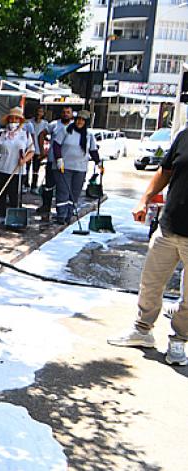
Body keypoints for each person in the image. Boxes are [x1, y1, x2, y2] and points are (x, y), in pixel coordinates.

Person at [108, 127, 188, 366]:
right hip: (168, 227)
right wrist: (145, 199)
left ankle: (179, 340)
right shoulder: (184, 136)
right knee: (150, 282)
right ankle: (143, 330)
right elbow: (165, 171)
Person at [0, 106, 34, 224]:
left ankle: (13, 218)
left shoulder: (25, 135)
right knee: (0, 193)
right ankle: (1, 216)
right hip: (0, 168)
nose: (13, 121)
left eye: (16, 119)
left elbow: (31, 151)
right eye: (11, 119)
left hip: (17, 171)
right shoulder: (1, 134)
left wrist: (25, 160)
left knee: (14, 195)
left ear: (20, 121)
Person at [53, 110, 100, 225]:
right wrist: (59, 159)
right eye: (78, 119)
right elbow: (56, 145)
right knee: (63, 191)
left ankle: (69, 215)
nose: (79, 122)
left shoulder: (89, 136)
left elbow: (93, 150)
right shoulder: (65, 131)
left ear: (86, 123)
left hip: (80, 168)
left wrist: (98, 163)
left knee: (74, 193)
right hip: (64, 167)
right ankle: (61, 215)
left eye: (82, 120)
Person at [38, 105, 73, 222]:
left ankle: (63, 212)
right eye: (64, 112)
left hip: (68, 163)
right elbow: (41, 134)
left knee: (64, 188)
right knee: (49, 187)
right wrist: (42, 151)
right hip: (52, 161)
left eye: (68, 112)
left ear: (71, 114)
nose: (65, 114)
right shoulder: (54, 124)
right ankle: (46, 207)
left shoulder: (75, 127)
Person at [26, 106, 49, 194]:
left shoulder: (45, 123)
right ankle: (26, 184)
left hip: (39, 149)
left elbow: (45, 136)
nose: (39, 113)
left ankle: (34, 185)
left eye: (41, 112)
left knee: (36, 169)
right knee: (27, 167)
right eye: (37, 111)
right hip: (29, 148)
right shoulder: (29, 122)